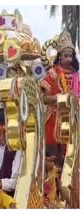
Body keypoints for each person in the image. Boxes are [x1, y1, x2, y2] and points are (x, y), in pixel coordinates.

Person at [39, 31, 79, 165]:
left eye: (71, 56)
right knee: (54, 161)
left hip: (74, 120)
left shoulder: (77, 76)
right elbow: (42, 99)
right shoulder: (53, 73)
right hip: (54, 122)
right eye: (66, 56)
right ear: (59, 56)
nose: (69, 59)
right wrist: (58, 98)